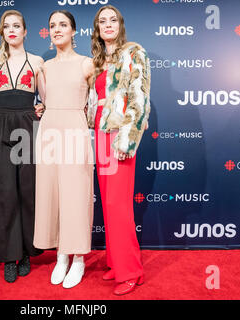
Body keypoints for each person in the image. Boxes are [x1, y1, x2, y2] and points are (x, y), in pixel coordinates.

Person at [88, 5, 151, 295]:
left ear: (120, 25)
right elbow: (98, 103)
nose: (108, 24)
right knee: (109, 205)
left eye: (113, 19)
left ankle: (131, 272)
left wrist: (127, 140)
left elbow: (138, 100)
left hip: (120, 138)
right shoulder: (100, 60)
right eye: (103, 21)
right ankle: (116, 263)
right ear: (97, 28)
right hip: (100, 138)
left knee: (118, 205)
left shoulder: (133, 53)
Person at [33, 10, 94, 289]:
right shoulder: (44, 67)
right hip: (48, 131)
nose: (57, 29)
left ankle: (78, 257)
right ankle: (60, 255)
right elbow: (45, 101)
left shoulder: (87, 64)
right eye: (52, 25)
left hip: (75, 130)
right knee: (52, 194)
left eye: (63, 25)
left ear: (74, 31)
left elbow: (95, 104)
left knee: (77, 195)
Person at [0, 10, 45, 283]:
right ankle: (9, 256)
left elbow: (46, 98)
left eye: (17, 26)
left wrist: (41, 107)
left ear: (25, 31)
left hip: (26, 125)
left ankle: (25, 251)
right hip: (1, 124)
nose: (11, 30)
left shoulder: (36, 61)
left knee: (26, 189)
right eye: (7, 26)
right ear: (2, 32)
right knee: (5, 191)